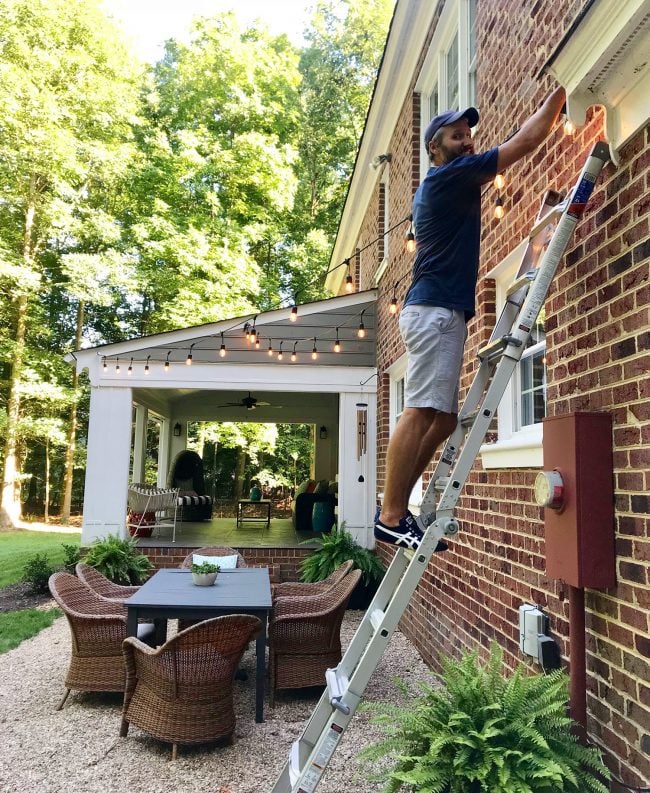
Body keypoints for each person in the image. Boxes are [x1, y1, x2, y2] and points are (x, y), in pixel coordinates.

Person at [374, 86, 566, 550]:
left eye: (468, 134)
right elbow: (523, 142)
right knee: (421, 411)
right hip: (436, 311)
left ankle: (399, 508)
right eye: (456, 136)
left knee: (442, 421)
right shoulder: (448, 177)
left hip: (440, 311)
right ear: (434, 148)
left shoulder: (447, 181)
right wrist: (560, 94)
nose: (467, 141)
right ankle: (392, 514)